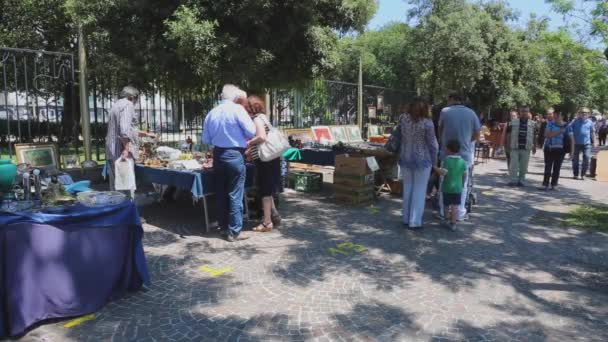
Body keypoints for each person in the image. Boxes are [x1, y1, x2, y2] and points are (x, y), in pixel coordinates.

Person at [202, 85, 256, 242]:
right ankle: (234, 231)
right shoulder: (237, 110)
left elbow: (206, 139)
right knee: (235, 193)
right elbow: (251, 131)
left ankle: (223, 227)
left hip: (218, 155)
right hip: (234, 154)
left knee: (221, 193)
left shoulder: (212, 113)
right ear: (235, 97)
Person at [438, 92, 480, 221]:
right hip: (464, 155)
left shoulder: (445, 111)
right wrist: (467, 141)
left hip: (447, 153)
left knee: (443, 182)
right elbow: (477, 134)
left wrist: (443, 142)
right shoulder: (471, 113)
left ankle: (443, 211)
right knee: (462, 184)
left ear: (452, 99)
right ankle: (460, 212)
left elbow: (440, 129)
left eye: (448, 99)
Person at [398, 97, 439, 229]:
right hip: (422, 160)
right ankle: (414, 221)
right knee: (419, 190)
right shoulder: (427, 123)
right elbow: (433, 145)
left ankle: (406, 218)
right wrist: (435, 163)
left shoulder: (403, 119)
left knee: (408, 188)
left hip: (405, 158)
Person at [244, 95, 282, 232]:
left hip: (265, 160)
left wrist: (248, 143)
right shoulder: (263, 117)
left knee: (264, 191)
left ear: (250, 108)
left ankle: (267, 222)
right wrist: (250, 150)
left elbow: (261, 137)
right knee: (268, 189)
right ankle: (274, 215)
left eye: (245, 108)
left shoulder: (256, 119)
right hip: (271, 158)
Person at [105, 86, 153, 191]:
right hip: (121, 151)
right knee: (126, 185)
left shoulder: (116, 105)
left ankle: (117, 205)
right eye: (136, 99)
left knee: (115, 185)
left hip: (112, 150)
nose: (136, 102)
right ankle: (127, 205)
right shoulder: (128, 105)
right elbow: (124, 131)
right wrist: (126, 149)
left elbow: (123, 128)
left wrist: (145, 133)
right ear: (132, 97)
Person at [504, 106, 537, 187]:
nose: (524, 113)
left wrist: (534, 146)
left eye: (526, 111)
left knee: (524, 166)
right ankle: (513, 181)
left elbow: (534, 136)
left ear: (528, 112)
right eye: (522, 111)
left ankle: (521, 180)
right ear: (519, 112)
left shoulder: (533, 124)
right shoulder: (513, 122)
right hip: (515, 147)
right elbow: (508, 135)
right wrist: (507, 146)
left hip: (526, 148)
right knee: (513, 165)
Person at [440, 140, 467, 231]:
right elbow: (465, 174)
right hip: (458, 188)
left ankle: (446, 219)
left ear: (448, 149)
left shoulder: (446, 160)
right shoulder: (463, 161)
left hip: (447, 187)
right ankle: (454, 223)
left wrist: (438, 170)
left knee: (446, 205)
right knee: (455, 206)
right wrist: (462, 184)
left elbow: (444, 173)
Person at [541, 110, 570, 190]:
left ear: (562, 116)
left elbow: (571, 138)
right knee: (548, 167)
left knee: (557, 168)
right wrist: (560, 131)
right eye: (555, 114)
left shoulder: (567, 126)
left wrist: (572, 151)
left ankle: (554, 184)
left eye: (558, 115)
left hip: (561, 150)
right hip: (549, 149)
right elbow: (547, 135)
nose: (556, 116)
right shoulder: (550, 124)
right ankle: (545, 184)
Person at [568, 107, 597, 180]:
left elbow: (592, 132)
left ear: (588, 114)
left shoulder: (590, 122)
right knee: (575, 160)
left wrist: (595, 141)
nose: (584, 114)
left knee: (587, 158)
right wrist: (571, 137)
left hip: (587, 144)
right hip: (576, 143)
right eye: (582, 112)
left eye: (586, 113)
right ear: (579, 113)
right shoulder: (575, 121)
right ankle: (576, 174)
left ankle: (583, 174)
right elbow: (569, 129)